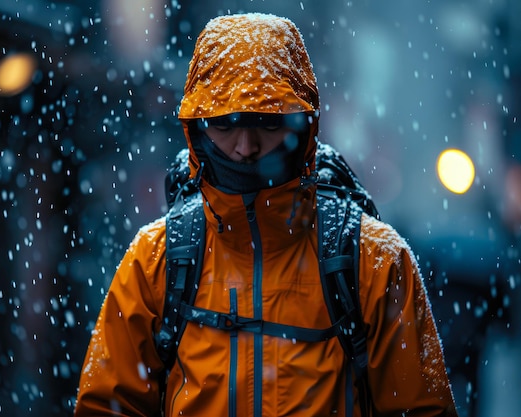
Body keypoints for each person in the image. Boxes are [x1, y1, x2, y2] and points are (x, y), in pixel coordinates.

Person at [74, 12, 458, 417]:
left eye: (265, 123)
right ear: (197, 129)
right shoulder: (156, 260)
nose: (245, 146)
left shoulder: (374, 261)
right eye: (225, 124)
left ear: (302, 126)